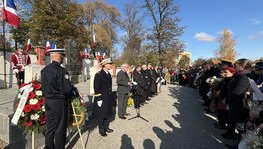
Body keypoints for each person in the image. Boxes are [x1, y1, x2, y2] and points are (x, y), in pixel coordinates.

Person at [41, 48, 76, 149]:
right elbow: (66, 89)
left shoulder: (44, 70)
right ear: (60, 57)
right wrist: (73, 91)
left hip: (48, 101)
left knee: (50, 126)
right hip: (59, 102)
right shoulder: (62, 71)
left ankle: (48, 147)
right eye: (63, 57)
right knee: (60, 127)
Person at [222, 58, 251, 139]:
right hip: (234, 102)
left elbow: (237, 92)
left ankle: (238, 143)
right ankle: (229, 134)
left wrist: (227, 98)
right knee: (231, 120)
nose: (235, 66)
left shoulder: (244, 77)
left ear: (242, 66)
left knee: (238, 124)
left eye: (237, 64)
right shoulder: (239, 74)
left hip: (238, 104)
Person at [93, 58, 114, 137]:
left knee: (107, 113)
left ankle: (106, 127)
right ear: (105, 65)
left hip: (108, 97)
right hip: (102, 97)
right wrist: (98, 99)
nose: (111, 65)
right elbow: (96, 87)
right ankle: (101, 130)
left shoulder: (108, 74)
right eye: (109, 64)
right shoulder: (99, 74)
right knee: (101, 114)